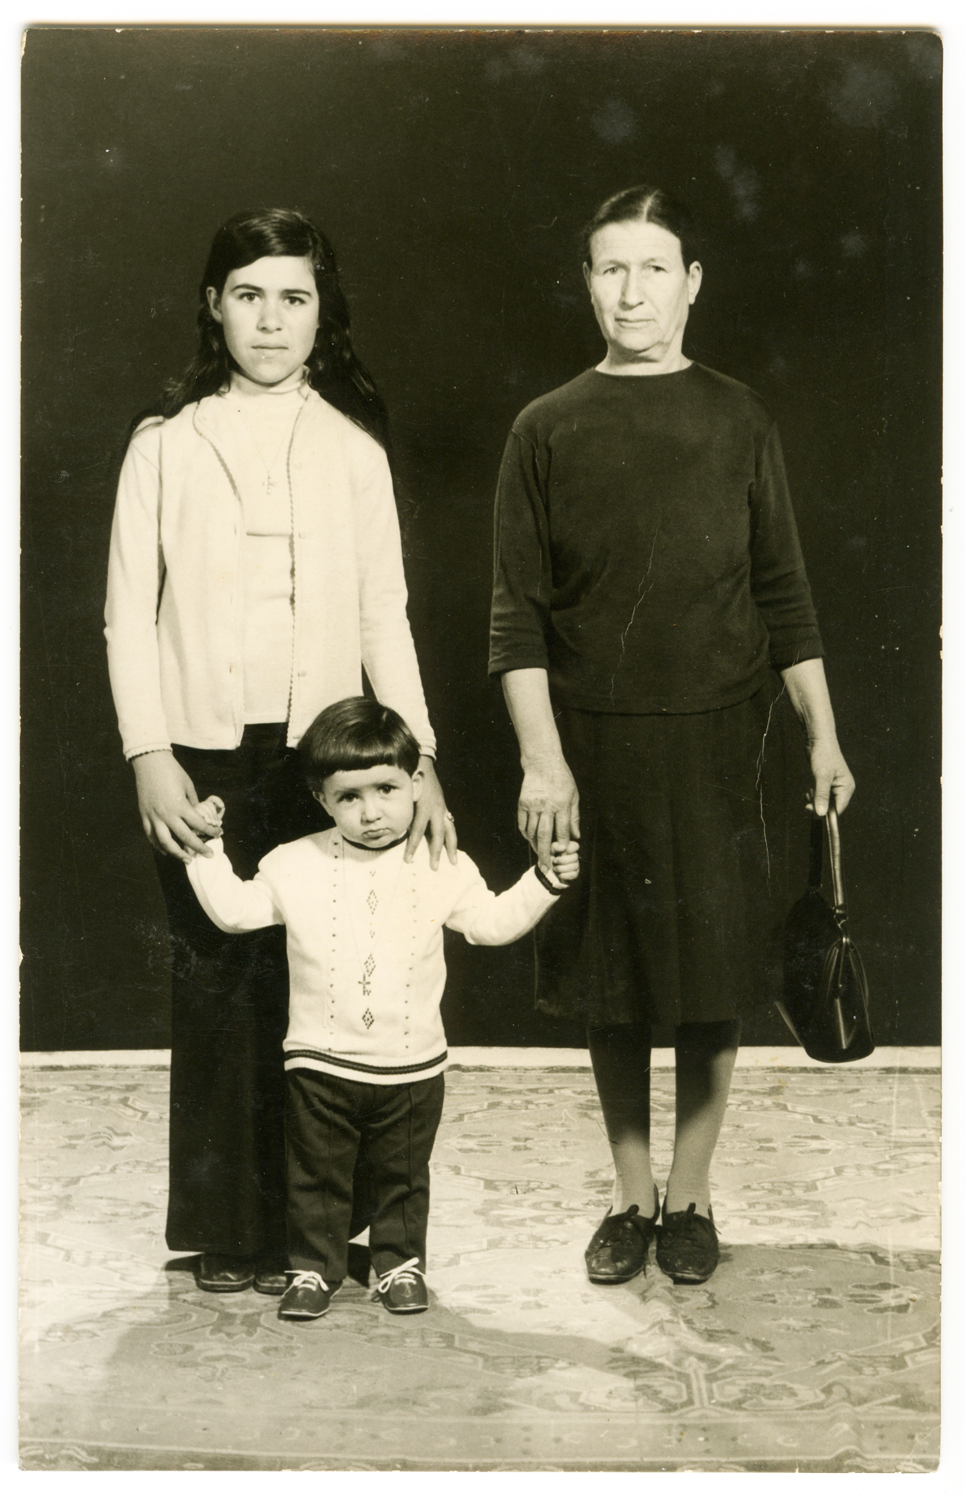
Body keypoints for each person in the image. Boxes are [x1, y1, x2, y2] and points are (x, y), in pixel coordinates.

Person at [489, 185, 855, 1288]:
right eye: (610, 268)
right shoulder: (544, 426)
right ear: (585, 283)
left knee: (708, 978)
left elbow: (783, 595)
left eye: (654, 268)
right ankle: (629, 1197)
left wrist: (823, 737)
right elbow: (515, 616)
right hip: (592, 748)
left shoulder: (738, 418)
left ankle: (690, 1198)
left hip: (718, 745)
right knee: (612, 984)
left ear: (691, 283)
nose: (631, 291)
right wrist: (542, 761)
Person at [104, 208, 456, 1296]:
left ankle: (322, 1230)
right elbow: (127, 615)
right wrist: (148, 752)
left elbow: (384, 615)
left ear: (320, 313)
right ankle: (228, 1228)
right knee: (219, 981)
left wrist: (422, 763)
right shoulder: (165, 444)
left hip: (325, 758)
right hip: (199, 755)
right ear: (214, 306)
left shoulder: (352, 451)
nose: (270, 320)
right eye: (248, 295)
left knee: (323, 986)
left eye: (293, 298)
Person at [184, 697, 579, 1319]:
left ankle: (400, 1265)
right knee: (316, 1176)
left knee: (403, 1177)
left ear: (417, 782)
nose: (371, 813)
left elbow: (490, 925)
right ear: (321, 799)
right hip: (319, 1065)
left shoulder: (442, 862)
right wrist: (206, 847)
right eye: (349, 797)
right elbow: (234, 912)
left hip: (412, 1066)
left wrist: (544, 880)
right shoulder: (293, 863)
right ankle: (312, 1269)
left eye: (387, 789)